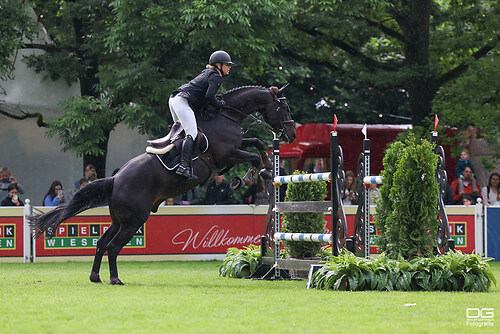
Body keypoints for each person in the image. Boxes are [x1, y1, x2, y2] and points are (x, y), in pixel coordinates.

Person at [169, 50, 233, 180]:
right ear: (218, 65)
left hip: (175, 99)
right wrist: (220, 105)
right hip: (182, 101)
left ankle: (173, 160)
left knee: (181, 134)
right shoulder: (216, 76)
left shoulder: (208, 73)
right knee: (191, 133)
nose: (229, 67)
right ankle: (183, 166)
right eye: (227, 64)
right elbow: (209, 96)